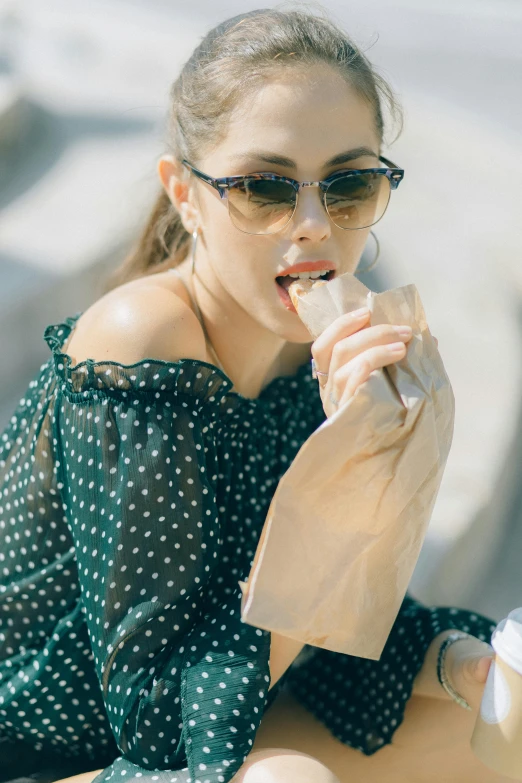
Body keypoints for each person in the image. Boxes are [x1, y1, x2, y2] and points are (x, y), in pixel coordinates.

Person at [0, 7, 506, 783]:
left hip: (222, 717)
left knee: (496, 714)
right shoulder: (139, 345)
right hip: (54, 754)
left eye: (348, 185)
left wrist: (456, 663)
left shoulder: (316, 347)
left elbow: (324, 636)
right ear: (185, 194)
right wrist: (339, 493)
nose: (311, 226)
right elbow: (161, 718)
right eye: (264, 188)